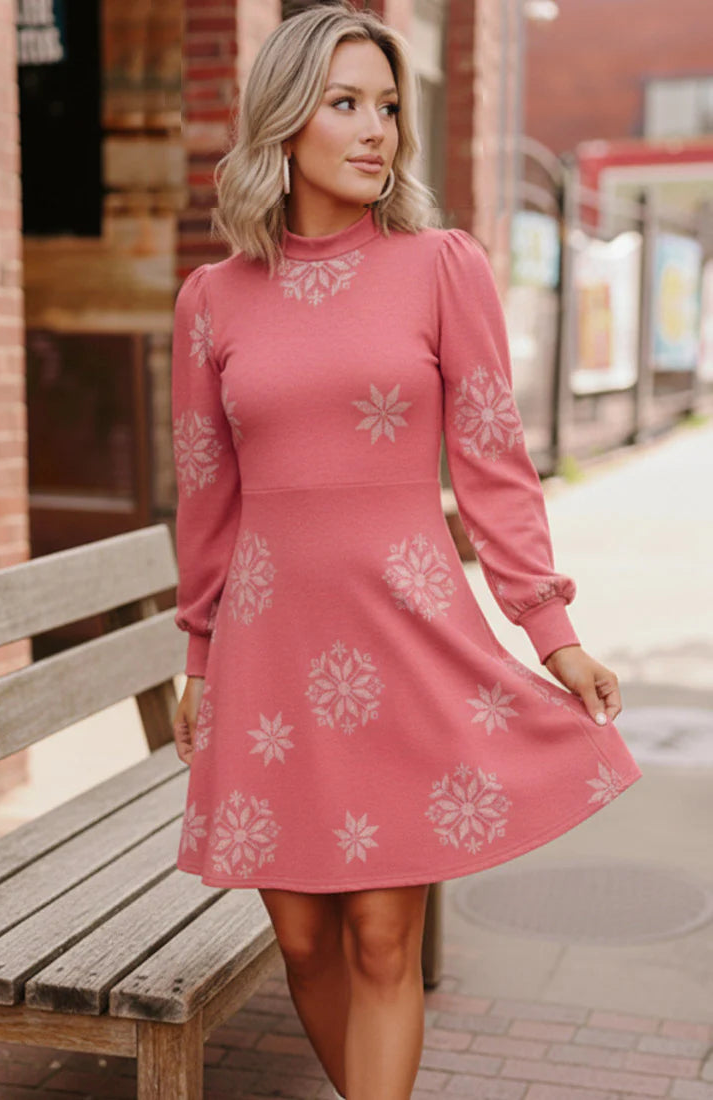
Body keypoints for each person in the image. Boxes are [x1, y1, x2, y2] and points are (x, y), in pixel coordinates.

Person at [169, 4, 643, 1097]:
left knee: (383, 941)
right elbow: (206, 494)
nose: (377, 129)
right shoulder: (212, 300)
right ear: (283, 123)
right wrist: (195, 652)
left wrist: (551, 631)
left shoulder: (440, 265)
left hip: (406, 636)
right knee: (300, 939)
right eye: (345, 103)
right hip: (268, 651)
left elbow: (492, 463)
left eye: (386, 105)